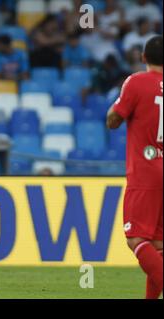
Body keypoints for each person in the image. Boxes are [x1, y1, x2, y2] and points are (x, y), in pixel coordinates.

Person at [106, 35, 163, 299]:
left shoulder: (137, 82)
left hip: (146, 171)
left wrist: (115, 110)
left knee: (137, 239)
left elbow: (114, 120)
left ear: (143, 58)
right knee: (159, 246)